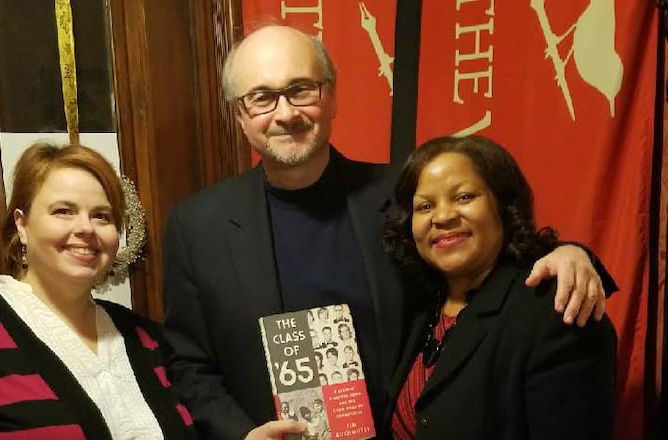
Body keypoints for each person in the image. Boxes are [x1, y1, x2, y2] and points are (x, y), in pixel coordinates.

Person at [162, 24, 613, 440]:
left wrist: (570, 254)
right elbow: (189, 363)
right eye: (261, 98)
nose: (285, 113)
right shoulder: (195, 226)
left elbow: (485, 264)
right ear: (240, 114)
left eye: (301, 90)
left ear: (332, 97)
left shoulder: (406, 196)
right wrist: (240, 435)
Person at [0, 143, 197, 439]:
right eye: (63, 211)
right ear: (22, 224)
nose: (85, 228)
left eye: (102, 216)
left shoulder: (147, 339)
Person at [381, 135, 616, 439]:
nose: (443, 217)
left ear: (503, 207)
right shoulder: (418, 307)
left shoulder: (556, 309)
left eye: (464, 197)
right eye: (425, 206)